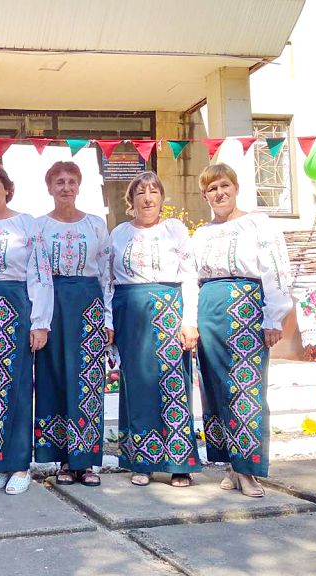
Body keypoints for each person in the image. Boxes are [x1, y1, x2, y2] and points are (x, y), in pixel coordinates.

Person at [191, 163, 293, 498]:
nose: (219, 194)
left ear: (235, 188)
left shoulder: (257, 224)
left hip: (246, 308)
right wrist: (191, 319)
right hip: (209, 308)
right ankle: (231, 466)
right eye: (212, 189)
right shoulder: (202, 234)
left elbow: (276, 270)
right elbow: (191, 277)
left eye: (224, 186)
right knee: (215, 388)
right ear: (205, 196)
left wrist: (273, 317)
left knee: (247, 388)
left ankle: (248, 469)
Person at [0, 164, 53, 495]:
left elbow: (40, 273)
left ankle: (19, 465)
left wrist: (39, 322)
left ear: (6, 188)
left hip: (15, 306)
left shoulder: (26, 224)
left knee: (16, 385)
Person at [110, 171, 201, 488]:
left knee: (173, 383)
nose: (147, 198)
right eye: (140, 192)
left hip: (169, 311)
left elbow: (189, 274)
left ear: (161, 198)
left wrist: (189, 320)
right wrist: (108, 321)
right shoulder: (119, 234)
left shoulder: (174, 230)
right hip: (130, 313)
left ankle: (179, 462)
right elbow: (108, 280)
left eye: (153, 192)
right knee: (137, 385)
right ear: (131, 200)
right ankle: (142, 461)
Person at [34, 161, 112, 487]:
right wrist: (38, 319)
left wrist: (108, 317)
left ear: (79, 186)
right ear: (49, 188)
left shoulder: (95, 225)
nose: (66, 187)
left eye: (71, 181)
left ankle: (86, 460)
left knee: (88, 378)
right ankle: (64, 459)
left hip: (88, 302)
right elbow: (36, 273)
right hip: (53, 302)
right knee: (54, 377)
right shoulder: (39, 226)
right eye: (59, 182)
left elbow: (107, 274)